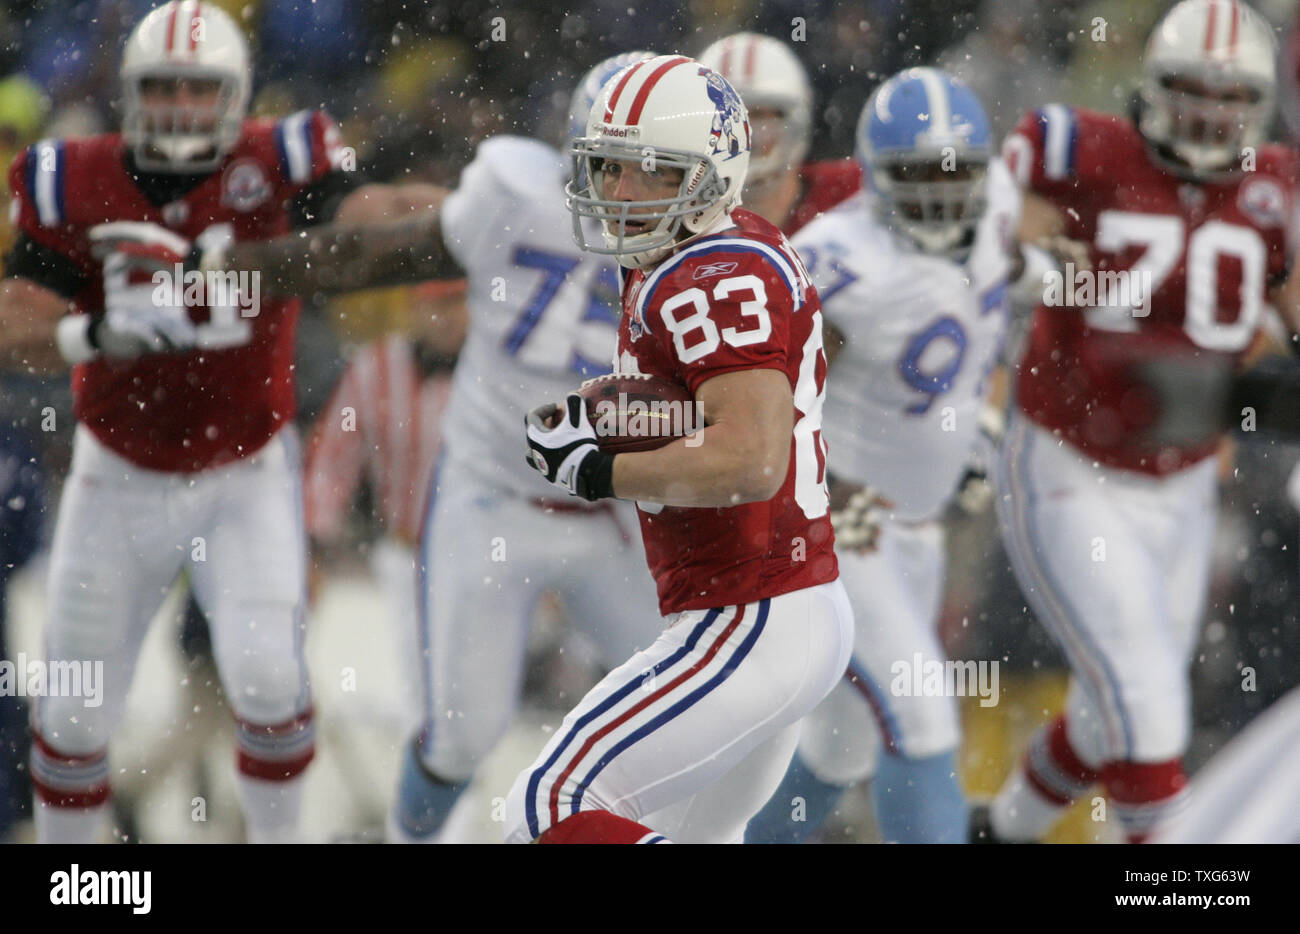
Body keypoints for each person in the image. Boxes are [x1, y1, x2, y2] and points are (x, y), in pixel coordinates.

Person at [0, 1, 391, 843]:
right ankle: (80, 885)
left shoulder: (282, 156)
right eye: (162, 88)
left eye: (197, 89)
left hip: (245, 471)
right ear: (129, 93)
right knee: (72, 714)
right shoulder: (71, 177)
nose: (178, 106)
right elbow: (13, 323)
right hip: (118, 474)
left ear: (237, 95)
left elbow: (363, 231)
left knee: (268, 681)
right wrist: (92, 332)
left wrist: (369, 225)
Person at [503, 53, 852, 844]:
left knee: (549, 804)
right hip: (770, 607)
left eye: (653, 172)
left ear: (712, 173)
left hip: (753, 613)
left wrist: (602, 468)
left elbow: (749, 459)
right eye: (611, 167)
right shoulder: (702, 253)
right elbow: (708, 409)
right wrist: (610, 410)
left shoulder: (710, 274)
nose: (621, 193)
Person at [975, 0, 1300, 844]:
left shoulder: (1276, 192)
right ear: (1152, 86)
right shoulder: (1083, 154)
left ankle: (998, 833)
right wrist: (1025, 258)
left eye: (1229, 100)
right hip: (1066, 462)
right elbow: (996, 246)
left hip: (1183, 479)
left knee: (1104, 714)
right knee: (1149, 715)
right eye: (1190, 91)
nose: (1207, 115)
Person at [746, 68, 1023, 844]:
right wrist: (822, 482)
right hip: (841, 527)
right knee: (923, 710)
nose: (939, 193)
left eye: (954, 173)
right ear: (873, 177)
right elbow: (762, 402)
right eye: (916, 175)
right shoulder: (838, 260)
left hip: (917, 528)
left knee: (840, 753)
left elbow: (987, 322)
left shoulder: (1003, 204)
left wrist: (982, 426)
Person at [697, 32, 860, 236]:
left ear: (795, 122)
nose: (744, 133)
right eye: (726, 117)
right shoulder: (678, 215)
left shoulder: (850, 192)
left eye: (759, 115)